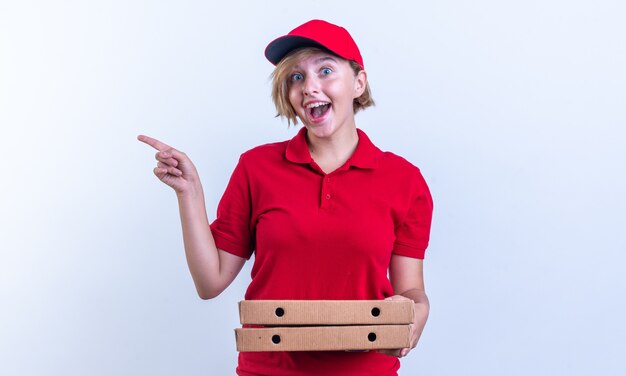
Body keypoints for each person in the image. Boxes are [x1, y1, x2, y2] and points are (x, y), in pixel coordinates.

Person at [138, 19, 433, 376]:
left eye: (325, 71)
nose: (309, 88)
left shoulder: (404, 180)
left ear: (358, 82)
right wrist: (190, 193)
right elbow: (209, 282)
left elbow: (411, 290)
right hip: (268, 369)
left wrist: (416, 314)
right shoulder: (256, 167)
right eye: (296, 77)